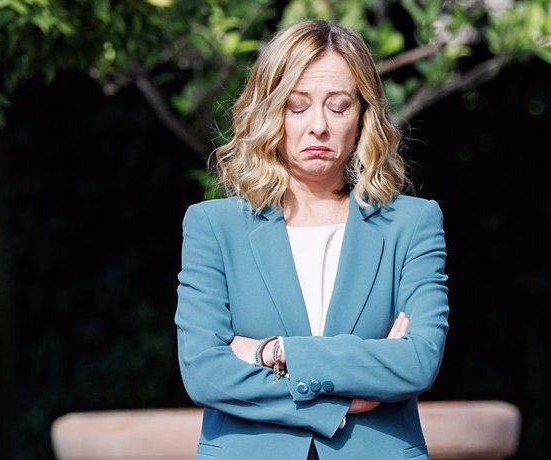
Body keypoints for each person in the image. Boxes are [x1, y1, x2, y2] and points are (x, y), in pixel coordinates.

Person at [175, 19, 448, 460]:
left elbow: (416, 363)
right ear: (269, 112)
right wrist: (344, 397)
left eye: (339, 106)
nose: (319, 126)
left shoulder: (412, 223)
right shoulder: (213, 226)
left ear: (363, 115)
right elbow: (204, 373)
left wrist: (274, 351)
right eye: (297, 106)